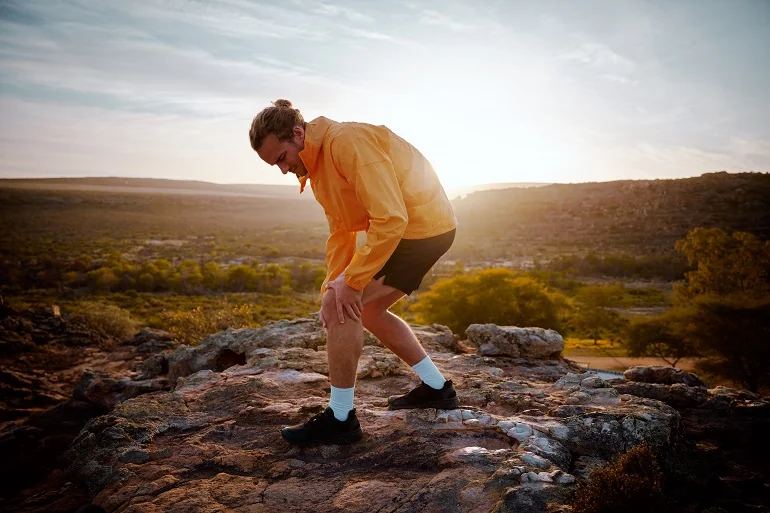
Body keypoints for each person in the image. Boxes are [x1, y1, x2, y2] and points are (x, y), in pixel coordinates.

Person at [249, 99, 459, 445]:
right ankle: (438, 388)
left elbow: (391, 218)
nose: (283, 169)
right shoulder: (317, 166)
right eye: (275, 165)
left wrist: (350, 285)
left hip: (421, 228)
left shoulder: (346, 142)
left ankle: (342, 419)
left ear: (298, 134)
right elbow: (342, 234)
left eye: (281, 158)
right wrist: (333, 285)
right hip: (415, 228)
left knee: (344, 305)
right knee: (364, 308)